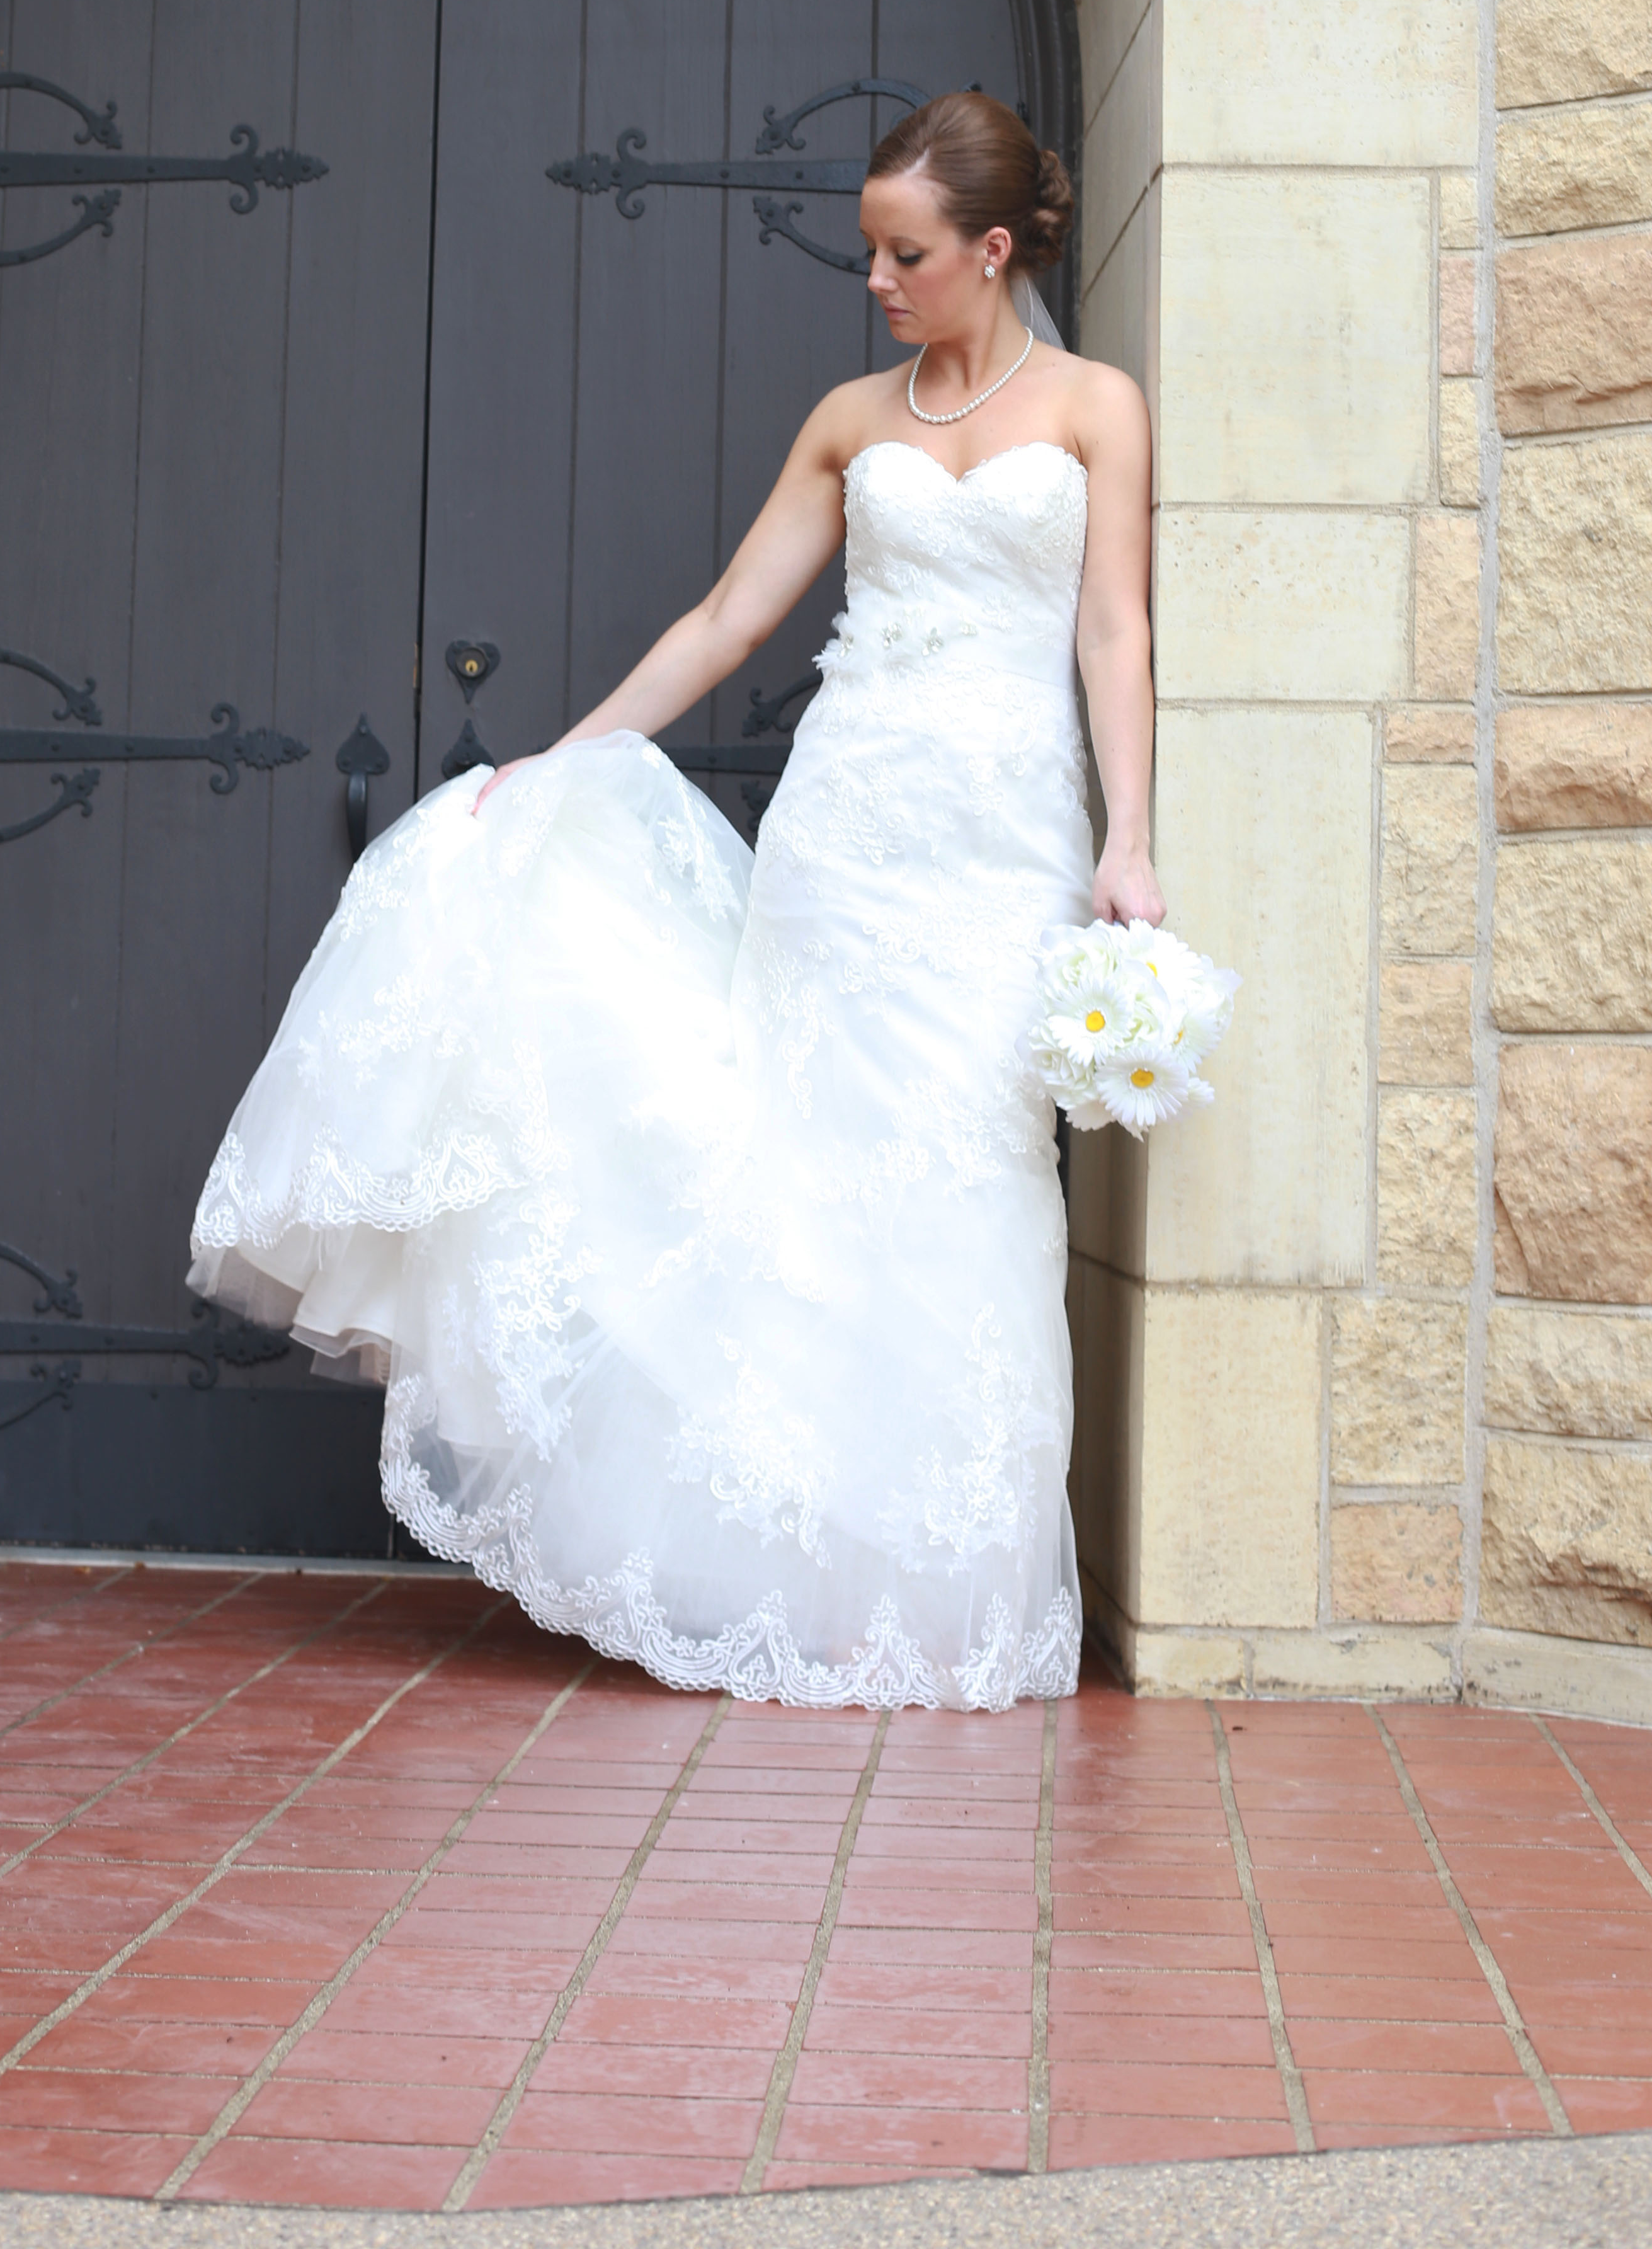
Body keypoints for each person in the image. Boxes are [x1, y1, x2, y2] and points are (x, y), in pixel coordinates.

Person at [189, 92, 1159, 1709]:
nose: (876, 280)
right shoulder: (849, 420)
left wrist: (1129, 838)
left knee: (973, 1176)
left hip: (1004, 846)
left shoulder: (1095, 407)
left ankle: (944, 1584)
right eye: (869, 251)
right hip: (844, 840)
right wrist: (558, 764)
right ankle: (785, 1568)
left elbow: (1113, 631)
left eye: (906, 254)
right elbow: (727, 619)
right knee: (809, 1168)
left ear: (993, 251)